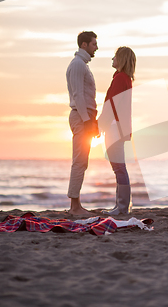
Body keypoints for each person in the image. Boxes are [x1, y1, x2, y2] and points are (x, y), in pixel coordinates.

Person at [100, 46, 136, 215]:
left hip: (115, 127)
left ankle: (122, 207)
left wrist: (100, 124)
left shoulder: (121, 78)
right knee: (118, 167)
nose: (112, 59)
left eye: (114, 56)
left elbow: (111, 105)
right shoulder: (124, 78)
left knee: (119, 167)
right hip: (118, 127)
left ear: (120, 59)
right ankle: (120, 206)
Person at [66, 31, 98, 215]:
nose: (96, 47)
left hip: (84, 117)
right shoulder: (78, 65)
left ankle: (76, 205)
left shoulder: (82, 65)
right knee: (79, 161)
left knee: (82, 161)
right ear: (84, 45)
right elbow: (78, 95)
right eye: (94, 44)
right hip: (80, 117)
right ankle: (74, 207)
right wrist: (87, 121)